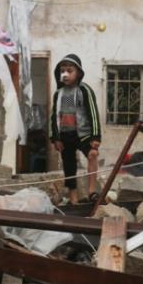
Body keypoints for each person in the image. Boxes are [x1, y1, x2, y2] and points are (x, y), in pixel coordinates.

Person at [49, 54, 101, 204]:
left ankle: (92, 191)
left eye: (69, 71)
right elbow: (54, 116)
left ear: (78, 73)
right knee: (69, 167)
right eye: (62, 71)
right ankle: (74, 199)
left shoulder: (85, 90)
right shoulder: (58, 94)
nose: (65, 74)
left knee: (92, 154)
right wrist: (56, 138)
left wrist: (96, 136)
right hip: (66, 135)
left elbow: (93, 112)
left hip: (83, 134)